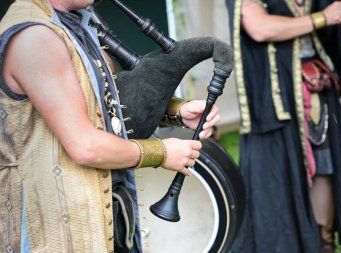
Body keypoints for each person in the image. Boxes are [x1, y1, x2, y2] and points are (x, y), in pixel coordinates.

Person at [0, 0, 221, 252]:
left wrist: (175, 111)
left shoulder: (73, 23)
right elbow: (85, 146)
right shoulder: (34, 37)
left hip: (101, 217)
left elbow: (102, 101)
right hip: (51, 235)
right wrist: (161, 153)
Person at [226, 0, 341, 252]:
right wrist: (323, 17)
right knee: (275, 177)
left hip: (316, 88)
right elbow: (259, 27)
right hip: (272, 99)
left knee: (324, 167)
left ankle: (323, 242)